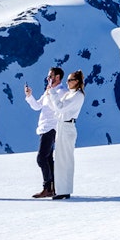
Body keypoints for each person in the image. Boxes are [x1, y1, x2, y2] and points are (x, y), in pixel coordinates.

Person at [24, 67, 67, 198]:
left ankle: (48, 187)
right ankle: (53, 187)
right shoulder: (49, 91)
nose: (48, 78)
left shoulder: (61, 92)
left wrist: (51, 93)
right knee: (48, 159)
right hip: (44, 127)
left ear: (57, 77)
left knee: (41, 158)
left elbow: (59, 109)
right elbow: (37, 106)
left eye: (50, 76)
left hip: (52, 128)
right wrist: (29, 96)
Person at [45, 70, 85, 200]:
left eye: (70, 80)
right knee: (61, 159)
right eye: (67, 80)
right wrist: (50, 94)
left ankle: (64, 190)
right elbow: (57, 108)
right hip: (62, 125)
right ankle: (61, 189)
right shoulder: (70, 94)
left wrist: (52, 93)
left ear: (77, 82)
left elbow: (61, 107)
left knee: (65, 159)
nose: (68, 82)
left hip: (68, 126)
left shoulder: (78, 95)